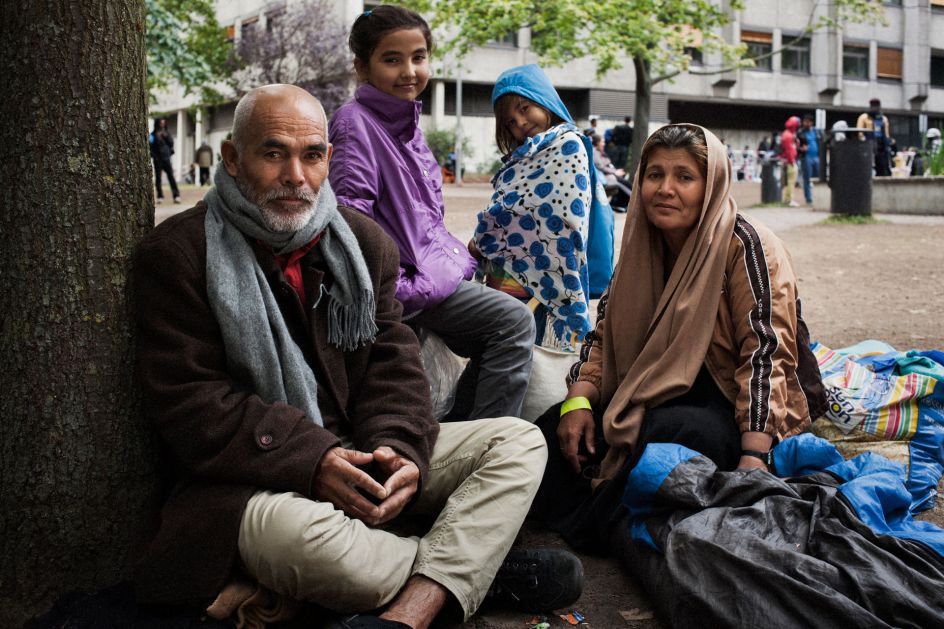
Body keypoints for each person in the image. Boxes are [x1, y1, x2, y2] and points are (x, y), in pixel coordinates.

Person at [133, 84, 582, 629]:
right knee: (335, 558)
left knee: (518, 442)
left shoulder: (362, 243)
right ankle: (468, 572)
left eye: (313, 155)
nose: (296, 176)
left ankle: (409, 610)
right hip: (252, 480)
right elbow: (192, 405)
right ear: (233, 159)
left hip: (364, 450)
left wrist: (397, 451)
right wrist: (314, 461)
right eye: (273, 153)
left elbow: (394, 367)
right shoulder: (177, 255)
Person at [529, 123, 826, 556]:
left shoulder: (746, 244)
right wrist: (578, 400)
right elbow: (605, 333)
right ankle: (588, 512)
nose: (665, 189)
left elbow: (766, 354)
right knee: (552, 429)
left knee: (662, 436)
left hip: (731, 400)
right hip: (651, 384)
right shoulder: (642, 245)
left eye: (684, 177)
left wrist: (755, 456)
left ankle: (591, 527)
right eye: (654, 175)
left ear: (711, 185)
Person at [328, 5, 535, 421]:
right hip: (405, 289)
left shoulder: (403, 121)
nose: (409, 71)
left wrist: (464, 257)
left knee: (514, 305)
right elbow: (351, 230)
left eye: (418, 57)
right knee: (513, 323)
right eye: (392, 59)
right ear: (362, 68)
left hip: (430, 275)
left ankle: (461, 430)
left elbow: (423, 219)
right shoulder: (356, 125)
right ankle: (492, 445)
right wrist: (401, 289)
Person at [471, 64, 614, 353]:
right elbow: (512, 203)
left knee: (526, 352)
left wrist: (486, 236)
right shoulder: (525, 155)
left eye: (525, 108)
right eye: (510, 121)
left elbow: (557, 215)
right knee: (502, 348)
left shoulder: (567, 146)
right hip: (505, 272)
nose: (520, 122)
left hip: (544, 273)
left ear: (544, 100)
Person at [591, 133, 632, 210]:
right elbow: (600, 166)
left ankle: (631, 200)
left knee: (624, 183)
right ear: (597, 143)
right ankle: (631, 200)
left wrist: (615, 171)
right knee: (622, 184)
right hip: (606, 176)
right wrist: (615, 172)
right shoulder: (594, 152)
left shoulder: (598, 151)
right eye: (602, 142)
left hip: (608, 174)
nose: (604, 144)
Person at [856, 98, 893, 177]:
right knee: (868, 167)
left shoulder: (883, 118)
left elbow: (886, 134)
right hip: (869, 145)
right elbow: (860, 133)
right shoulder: (864, 117)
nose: (876, 108)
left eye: (877, 106)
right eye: (874, 105)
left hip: (881, 147)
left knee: (883, 168)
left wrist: (888, 143)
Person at [149, 117, 180, 203]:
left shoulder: (167, 133)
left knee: (171, 177)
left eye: (164, 122)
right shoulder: (153, 134)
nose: (162, 124)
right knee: (158, 178)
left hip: (166, 158)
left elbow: (171, 144)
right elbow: (150, 146)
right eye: (161, 123)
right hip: (157, 159)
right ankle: (160, 196)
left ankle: (176, 195)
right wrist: (154, 156)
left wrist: (166, 137)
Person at [797, 114, 822, 205]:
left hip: (817, 157)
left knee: (819, 178)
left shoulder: (817, 132)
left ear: (811, 122)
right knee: (807, 178)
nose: (805, 123)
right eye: (804, 122)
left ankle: (819, 197)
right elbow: (795, 146)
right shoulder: (800, 132)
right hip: (806, 157)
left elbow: (822, 141)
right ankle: (809, 199)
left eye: (807, 122)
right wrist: (800, 149)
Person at [779, 116, 800, 207]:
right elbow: (789, 150)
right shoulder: (788, 135)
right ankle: (789, 200)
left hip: (789, 160)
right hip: (790, 161)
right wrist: (792, 161)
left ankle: (787, 199)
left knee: (789, 181)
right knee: (791, 181)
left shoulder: (788, 134)